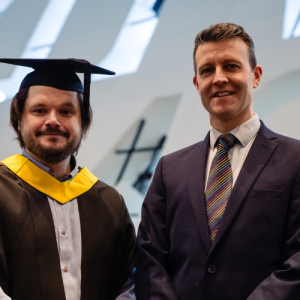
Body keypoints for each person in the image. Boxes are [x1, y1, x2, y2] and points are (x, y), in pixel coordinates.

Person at [136, 23, 300, 300]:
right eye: (207, 70)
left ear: (255, 76)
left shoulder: (295, 159)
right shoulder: (169, 169)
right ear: (196, 82)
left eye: (231, 66)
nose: (219, 78)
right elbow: (151, 259)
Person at [0, 59, 136, 300]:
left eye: (66, 111)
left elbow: (131, 282)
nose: (53, 120)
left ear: (82, 122)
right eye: (39, 110)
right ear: (18, 119)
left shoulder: (111, 204)